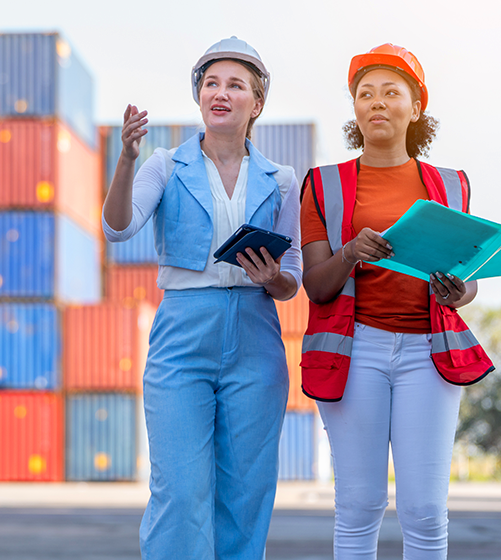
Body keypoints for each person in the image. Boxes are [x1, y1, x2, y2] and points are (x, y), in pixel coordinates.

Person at [101, 37, 302, 560]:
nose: (221, 92)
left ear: (256, 103)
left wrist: (272, 278)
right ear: (198, 97)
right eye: (211, 83)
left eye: (236, 84)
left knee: (246, 495)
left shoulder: (282, 182)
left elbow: (293, 278)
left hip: (257, 340)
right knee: (180, 491)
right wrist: (126, 159)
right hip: (182, 339)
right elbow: (117, 228)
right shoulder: (164, 165)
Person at [300, 44, 491, 559]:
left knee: (426, 513)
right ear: (356, 109)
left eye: (391, 92)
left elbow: (469, 280)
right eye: (365, 94)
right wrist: (349, 253)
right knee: (359, 506)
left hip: (428, 354)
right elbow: (316, 287)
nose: (376, 102)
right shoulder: (322, 184)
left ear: (416, 107)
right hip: (354, 351)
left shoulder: (452, 185)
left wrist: (459, 291)